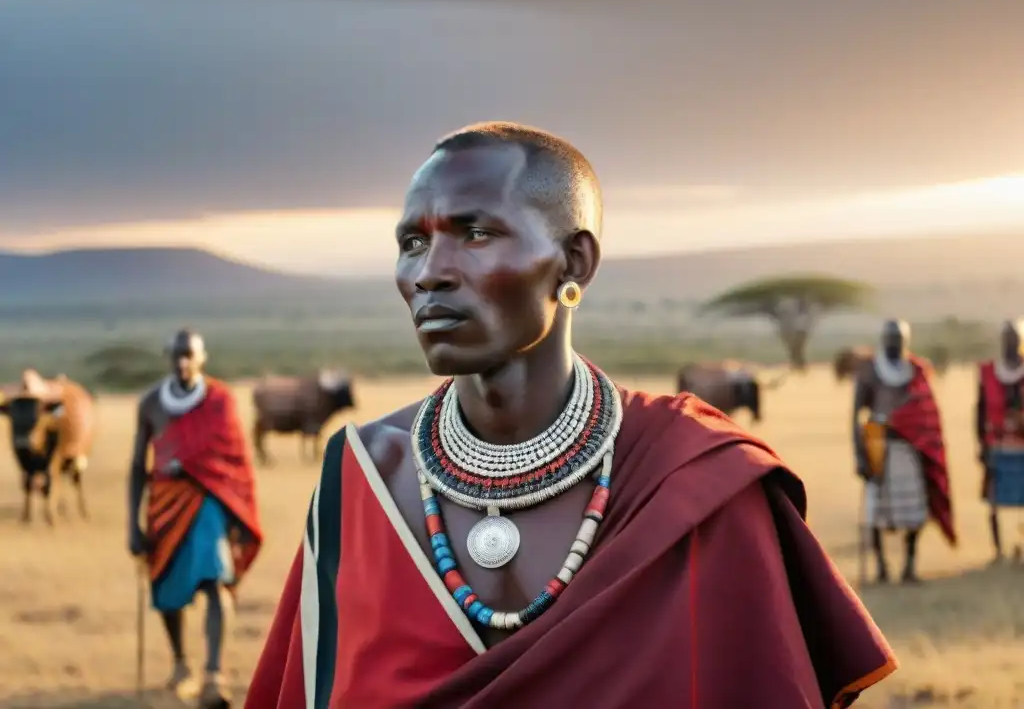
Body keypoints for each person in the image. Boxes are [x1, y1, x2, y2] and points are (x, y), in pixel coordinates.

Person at [246, 122, 896, 708]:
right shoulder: (359, 479)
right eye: (413, 242)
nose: (430, 273)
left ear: (573, 263)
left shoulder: (697, 483)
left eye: (474, 233)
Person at [128, 329, 263, 707]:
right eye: (177, 355)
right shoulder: (151, 403)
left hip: (209, 503)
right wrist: (132, 524)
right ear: (168, 357)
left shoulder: (219, 400)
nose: (183, 362)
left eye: (190, 355)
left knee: (215, 580)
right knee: (167, 590)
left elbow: (236, 461)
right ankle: (181, 664)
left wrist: (237, 512)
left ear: (202, 358)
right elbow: (139, 465)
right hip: (164, 503)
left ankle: (214, 675)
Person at [852, 319, 956, 584]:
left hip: (911, 450)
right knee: (876, 511)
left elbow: (927, 413)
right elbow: (855, 415)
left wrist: (925, 444)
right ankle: (882, 568)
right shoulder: (870, 371)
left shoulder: (916, 371)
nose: (894, 343)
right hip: (879, 448)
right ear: (883, 339)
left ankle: (909, 565)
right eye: (890, 338)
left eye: (899, 339)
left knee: (914, 510)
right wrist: (860, 455)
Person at [975, 318, 1024, 563]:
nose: (1011, 343)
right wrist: (981, 445)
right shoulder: (987, 373)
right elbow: (980, 410)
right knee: (993, 500)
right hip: (997, 445)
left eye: (1014, 339)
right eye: (1007, 339)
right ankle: (998, 550)